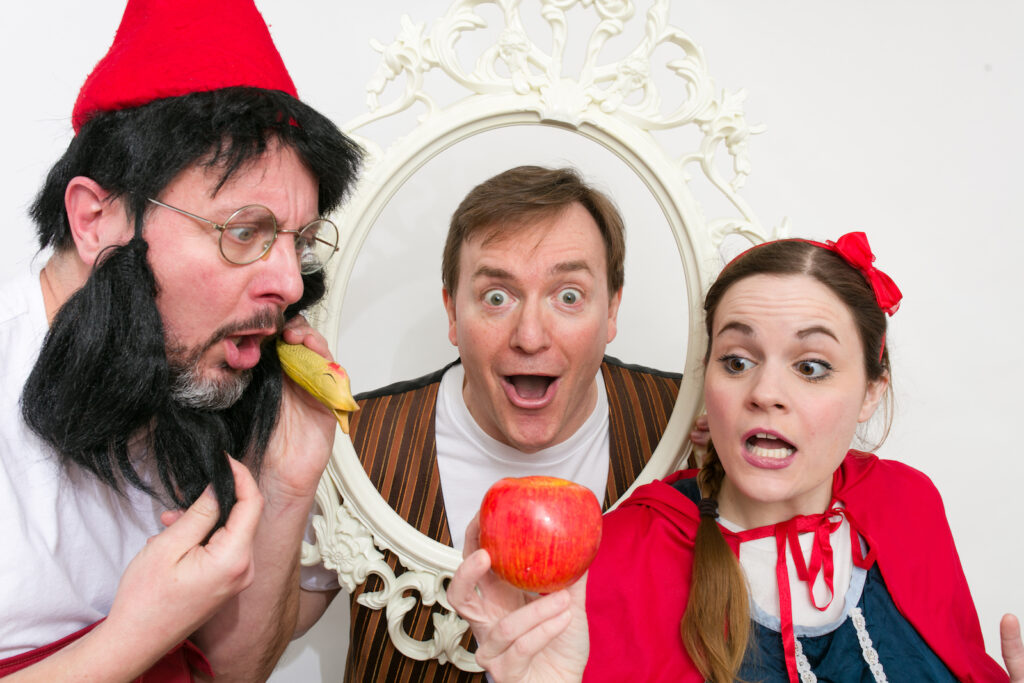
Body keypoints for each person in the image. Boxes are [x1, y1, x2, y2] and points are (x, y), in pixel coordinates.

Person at [448, 232, 1024, 682]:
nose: (764, 393)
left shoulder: (906, 503)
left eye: (811, 366)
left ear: (873, 389)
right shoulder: (617, 553)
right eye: (737, 361)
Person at [0, 0, 361, 680]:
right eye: (244, 232)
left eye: (301, 242)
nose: (287, 281)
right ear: (97, 219)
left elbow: (234, 672)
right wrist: (136, 634)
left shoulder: (196, 377)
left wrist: (285, 481)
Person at [296, 165, 705, 681]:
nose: (530, 337)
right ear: (451, 312)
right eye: (496, 297)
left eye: (570, 296)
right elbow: (260, 641)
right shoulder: (355, 439)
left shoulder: (686, 427)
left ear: (613, 310)